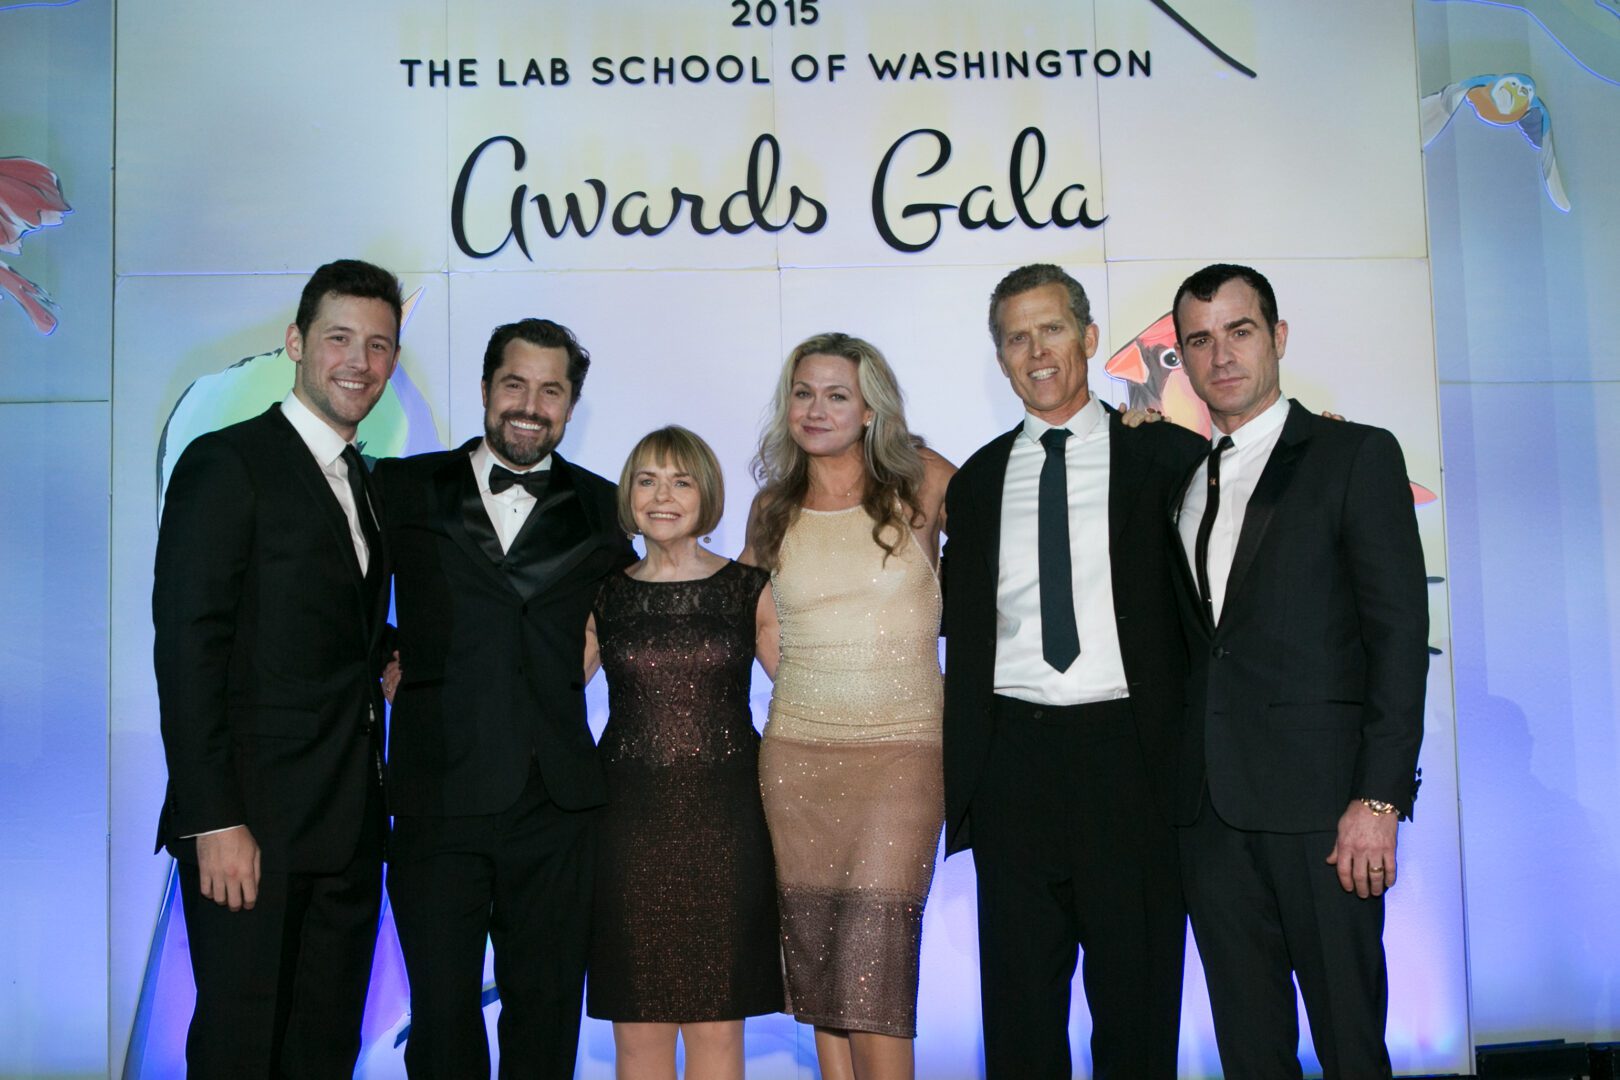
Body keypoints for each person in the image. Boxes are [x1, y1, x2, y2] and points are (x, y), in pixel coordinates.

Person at [940, 263, 1205, 1079]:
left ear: (1089, 338)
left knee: (1137, 1006)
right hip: (1012, 763)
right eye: (1016, 338)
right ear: (1000, 359)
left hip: (1133, 759)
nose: (1036, 351)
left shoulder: (1170, 456)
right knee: (1020, 1014)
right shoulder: (977, 482)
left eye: (1051, 329)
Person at [1169, 263, 1427, 1079]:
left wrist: (1379, 799)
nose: (1221, 356)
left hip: (1326, 816)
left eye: (1240, 331)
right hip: (1211, 820)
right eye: (1199, 340)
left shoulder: (1355, 454)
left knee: (1351, 1046)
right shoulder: (1182, 478)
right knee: (1250, 1054)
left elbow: (1398, 638)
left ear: (1277, 338)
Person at [152, 258, 401, 1077]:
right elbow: (188, 647)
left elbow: (328, 626)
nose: (358, 362)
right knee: (242, 1048)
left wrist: (390, 654)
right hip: (249, 828)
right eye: (338, 338)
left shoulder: (366, 481)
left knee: (324, 1051)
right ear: (296, 342)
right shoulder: (227, 463)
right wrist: (213, 819)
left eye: (378, 345)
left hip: (349, 826)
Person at [372, 318, 634, 1078]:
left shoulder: (607, 508)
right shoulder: (402, 486)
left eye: (551, 390)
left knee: (547, 1016)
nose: (530, 405)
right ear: (486, 388)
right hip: (436, 794)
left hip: (556, 803)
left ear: (571, 405)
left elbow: (640, 616)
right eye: (515, 384)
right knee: (442, 1017)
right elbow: (339, 594)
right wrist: (386, 654)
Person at [743, 332, 954, 1080]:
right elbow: (755, 620)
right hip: (797, 757)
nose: (816, 408)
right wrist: (820, 686)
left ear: (871, 409)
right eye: (803, 393)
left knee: (874, 962)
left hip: (903, 756)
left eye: (837, 395)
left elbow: (1019, 526)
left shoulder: (925, 481)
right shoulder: (773, 506)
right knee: (820, 957)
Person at [582, 425, 784, 1080]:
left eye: (680, 481)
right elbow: (543, 694)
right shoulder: (601, 593)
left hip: (727, 828)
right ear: (628, 495)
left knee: (718, 1032)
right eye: (647, 480)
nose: (662, 496)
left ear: (708, 495)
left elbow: (807, 693)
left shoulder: (750, 588)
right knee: (636, 1035)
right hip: (627, 830)